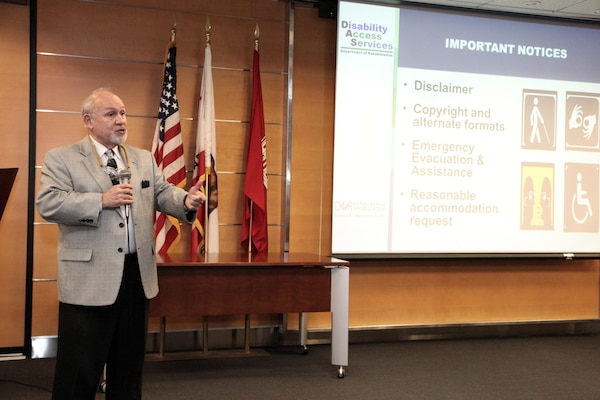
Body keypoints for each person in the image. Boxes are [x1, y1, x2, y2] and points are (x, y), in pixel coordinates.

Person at [36, 88, 206, 400]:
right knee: (79, 372)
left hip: (135, 277)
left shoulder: (142, 158)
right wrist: (100, 200)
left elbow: (162, 192)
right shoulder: (62, 158)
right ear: (88, 121)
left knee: (128, 371)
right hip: (90, 279)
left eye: (123, 113)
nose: (121, 120)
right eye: (111, 114)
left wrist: (187, 200)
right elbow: (48, 203)